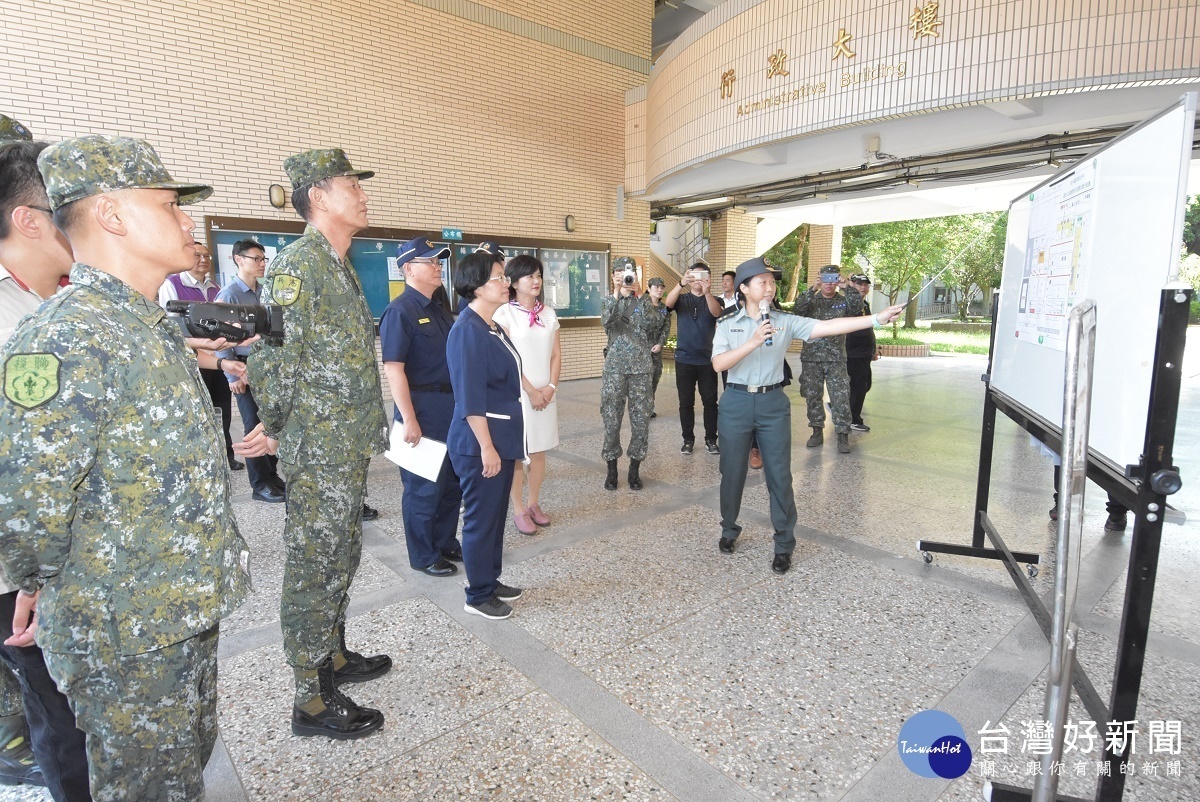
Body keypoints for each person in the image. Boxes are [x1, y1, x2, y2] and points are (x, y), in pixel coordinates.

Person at [0, 134, 251, 799]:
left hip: (178, 613)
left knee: (180, 773)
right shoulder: (66, 335)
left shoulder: (150, 326)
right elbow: (29, 500)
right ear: (110, 215)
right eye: (168, 205)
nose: (185, 221)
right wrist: (35, 579)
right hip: (123, 633)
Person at [238, 148, 390, 740]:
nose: (362, 191)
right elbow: (276, 357)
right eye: (351, 182)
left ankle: (335, 656)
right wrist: (273, 424)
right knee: (314, 565)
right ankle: (310, 698)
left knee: (341, 553)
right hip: (319, 445)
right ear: (319, 196)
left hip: (342, 441)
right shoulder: (298, 265)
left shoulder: (338, 260)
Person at [0, 134, 91, 801]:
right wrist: (29, 573)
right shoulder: (11, 319)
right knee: (61, 717)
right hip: (20, 564)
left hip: (48, 556)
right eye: (65, 207)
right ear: (29, 221)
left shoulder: (45, 304)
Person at [713, 257, 902, 574]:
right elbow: (719, 364)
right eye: (762, 282)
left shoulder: (785, 321)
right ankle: (729, 529)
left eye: (772, 282)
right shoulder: (726, 324)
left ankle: (784, 544)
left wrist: (877, 319)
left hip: (773, 403)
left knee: (779, 476)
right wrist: (754, 340)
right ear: (744, 288)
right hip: (736, 401)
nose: (770, 287)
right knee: (732, 473)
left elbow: (827, 327)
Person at [447, 251, 526, 620]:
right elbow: (469, 397)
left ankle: (490, 581)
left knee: (495, 516)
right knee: (480, 519)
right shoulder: (466, 330)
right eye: (498, 277)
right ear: (477, 286)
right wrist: (487, 448)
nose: (505, 282)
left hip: (501, 437)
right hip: (481, 443)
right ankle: (477, 595)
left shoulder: (490, 325)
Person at [379, 236, 463, 576]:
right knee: (423, 488)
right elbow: (393, 368)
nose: (437, 265)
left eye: (438, 260)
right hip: (421, 408)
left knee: (451, 485)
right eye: (430, 261)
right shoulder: (400, 312)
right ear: (408, 269)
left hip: (450, 408)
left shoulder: (440, 310)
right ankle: (423, 554)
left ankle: (443, 541)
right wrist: (409, 419)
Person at [157, 241, 243, 470]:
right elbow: (169, 326)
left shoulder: (215, 287)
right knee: (199, 410)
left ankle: (226, 455)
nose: (203, 259)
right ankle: (206, 458)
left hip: (218, 358)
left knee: (221, 407)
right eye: (198, 255)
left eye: (207, 255)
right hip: (191, 358)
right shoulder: (172, 285)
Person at [494, 254, 561, 535]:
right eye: (528, 276)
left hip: (546, 396)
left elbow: (556, 355)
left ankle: (534, 503)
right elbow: (507, 359)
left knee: (539, 451)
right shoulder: (503, 314)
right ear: (513, 282)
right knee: (518, 454)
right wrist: (532, 391)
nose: (535, 281)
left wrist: (550, 388)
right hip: (518, 394)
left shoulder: (548, 313)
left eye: (538, 275)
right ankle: (519, 509)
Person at [215, 239, 286, 501]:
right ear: (238, 259)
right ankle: (260, 484)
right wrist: (232, 375)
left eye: (263, 259)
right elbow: (219, 337)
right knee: (253, 424)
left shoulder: (264, 291)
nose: (261, 264)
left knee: (272, 421)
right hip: (243, 369)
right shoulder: (229, 294)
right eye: (255, 258)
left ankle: (272, 475)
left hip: (266, 369)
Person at [792, 264, 863, 454]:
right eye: (825, 279)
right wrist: (812, 289)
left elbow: (857, 309)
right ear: (819, 279)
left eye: (833, 279)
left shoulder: (843, 301)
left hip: (836, 358)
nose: (829, 283)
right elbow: (797, 311)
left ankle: (842, 434)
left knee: (840, 397)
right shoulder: (811, 300)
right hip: (811, 358)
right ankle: (816, 431)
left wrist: (847, 286)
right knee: (812, 395)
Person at [600, 257, 656, 490]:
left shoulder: (642, 300)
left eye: (629, 272)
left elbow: (653, 322)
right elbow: (607, 322)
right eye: (620, 272)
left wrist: (640, 294)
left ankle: (634, 469)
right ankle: (612, 469)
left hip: (641, 369)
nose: (625, 276)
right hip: (615, 369)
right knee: (612, 419)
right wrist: (617, 293)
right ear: (614, 275)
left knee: (641, 421)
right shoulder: (608, 300)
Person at [664, 262, 723, 455]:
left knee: (710, 402)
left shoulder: (715, 300)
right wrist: (680, 284)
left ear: (709, 278)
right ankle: (688, 439)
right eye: (695, 276)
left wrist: (706, 293)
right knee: (685, 403)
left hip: (707, 360)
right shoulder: (682, 299)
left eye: (703, 275)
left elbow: (717, 314)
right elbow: (668, 304)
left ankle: (711, 439)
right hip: (684, 359)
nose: (699, 280)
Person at [845, 273, 881, 432]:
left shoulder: (864, 304)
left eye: (866, 285)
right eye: (859, 284)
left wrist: (873, 349)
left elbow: (869, 329)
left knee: (865, 385)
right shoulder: (846, 304)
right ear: (851, 285)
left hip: (864, 353)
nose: (863, 287)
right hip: (852, 353)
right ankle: (853, 419)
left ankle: (839, 404)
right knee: (858, 387)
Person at [644, 276, 670, 419]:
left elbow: (666, 329)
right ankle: (641, 408)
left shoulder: (663, 309)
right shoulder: (640, 306)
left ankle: (649, 407)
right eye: (656, 287)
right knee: (642, 381)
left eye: (661, 287)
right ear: (649, 289)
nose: (659, 290)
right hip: (640, 351)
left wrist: (660, 344)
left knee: (654, 378)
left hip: (655, 351)